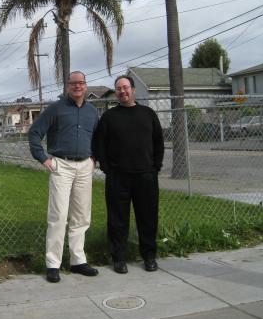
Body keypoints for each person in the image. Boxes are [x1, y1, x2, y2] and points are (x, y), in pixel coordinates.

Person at [28, 71, 99, 283]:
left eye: (81, 83)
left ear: (86, 86)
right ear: (68, 86)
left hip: (84, 167)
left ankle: (78, 261)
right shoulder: (56, 109)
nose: (78, 86)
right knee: (58, 215)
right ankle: (53, 264)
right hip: (62, 166)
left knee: (81, 216)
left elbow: (97, 137)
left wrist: (94, 158)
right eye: (73, 83)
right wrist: (43, 158)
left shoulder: (92, 111)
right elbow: (34, 133)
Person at [93, 75, 164, 274]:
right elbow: (100, 145)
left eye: (125, 87)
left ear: (133, 90)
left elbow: (158, 142)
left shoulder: (148, 114)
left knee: (148, 219)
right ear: (116, 93)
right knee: (117, 220)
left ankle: (149, 257)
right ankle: (119, 258)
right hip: (118, 178)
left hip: (146, 177)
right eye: (118, 88)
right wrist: (107, 168)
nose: (122, 91)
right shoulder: (109, 117)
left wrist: (155, 167)